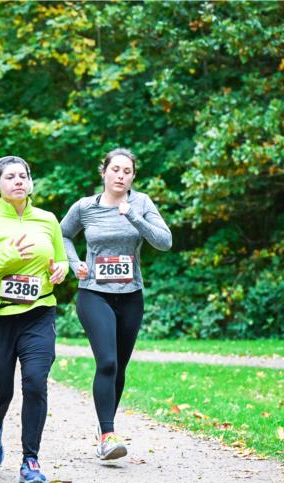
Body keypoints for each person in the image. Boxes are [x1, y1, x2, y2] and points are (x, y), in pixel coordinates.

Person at [0, 156, 68, 483]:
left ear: (30, 182)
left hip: (38, 312)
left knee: (35, 381)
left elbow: (60, 259)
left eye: (23, 175)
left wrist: (59, 270)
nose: (18, 181)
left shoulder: (48, 220)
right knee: (0, 390)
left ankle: (30, 461)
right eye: (9, 176)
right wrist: (4, 259)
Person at [60, 147, 171, 461]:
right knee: (106, 361)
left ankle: (104, 428)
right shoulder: (85, 207)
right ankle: (108, 435)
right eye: (115, 170)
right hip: (93, 293)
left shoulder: (142, 203)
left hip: (131, 297)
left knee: (119, 365)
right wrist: (73, 262)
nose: (121, 176)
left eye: (127, 171)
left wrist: (133, 216)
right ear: (104, 172)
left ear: (133, 176)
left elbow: (165, 242)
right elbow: (62, 234)